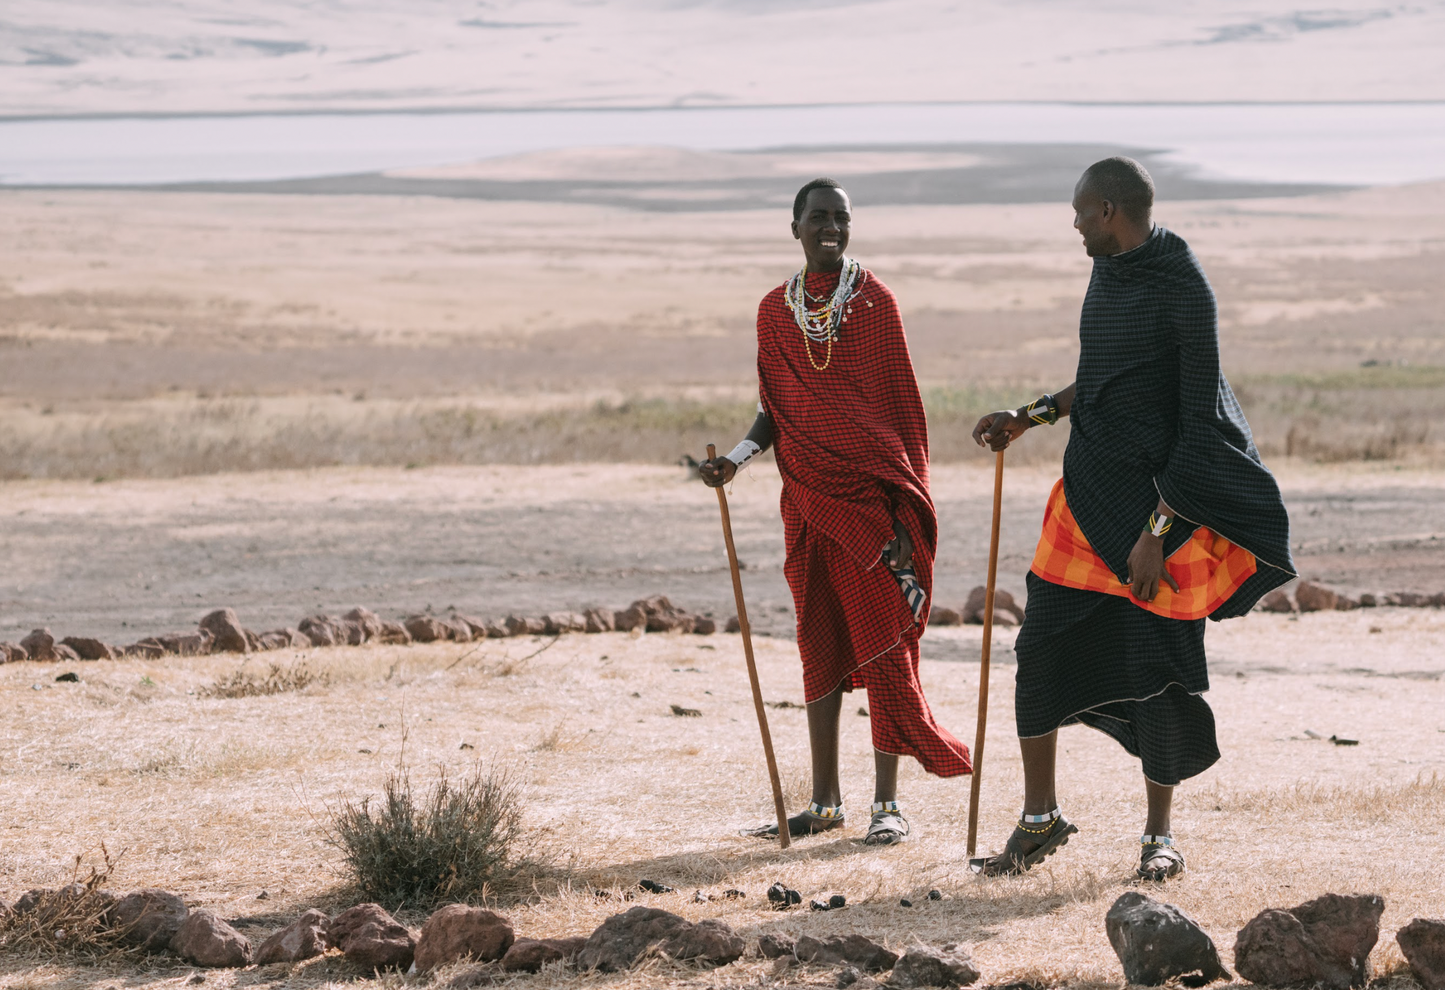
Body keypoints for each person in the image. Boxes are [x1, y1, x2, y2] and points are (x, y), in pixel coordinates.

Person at [970, 157, 1295, 880]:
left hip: (1158, 514)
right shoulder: (1108, 269)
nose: (1075, 225)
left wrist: (1154, 538)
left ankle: (1157, 837)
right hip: (1082, 500)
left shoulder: (1182, 288)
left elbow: (1197, 424)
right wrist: (1030, 416)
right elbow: (1104, 377)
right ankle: (1038, 818)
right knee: (1039, 653)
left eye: (1081, 214)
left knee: (1160, 672)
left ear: (1110, 211)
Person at [700, 177, 971, 845]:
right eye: (818, 217)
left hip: (873, 512)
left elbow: (902, 416)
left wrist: (908, 517)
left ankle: (887, 806)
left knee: (884, 648)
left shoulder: (875, 305)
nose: (831, 228)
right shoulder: (773, 311)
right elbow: (777, 411)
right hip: (808, 503)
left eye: (841, 218)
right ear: (793, 228)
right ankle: (823, 803)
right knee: (817, 644)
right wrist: (736, 458)